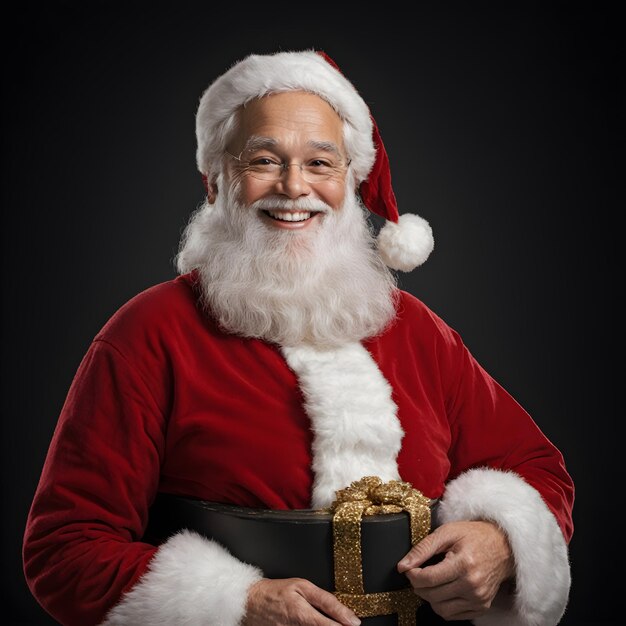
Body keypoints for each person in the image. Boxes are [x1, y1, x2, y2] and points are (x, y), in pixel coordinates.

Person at [23, 49, 574, 626]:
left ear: (350, 182)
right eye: (264, 159)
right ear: (215, 181)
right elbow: (64, 550)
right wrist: (239, 605)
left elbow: (538, 468)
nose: (293, 186)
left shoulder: (417, 329)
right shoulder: (147, 334)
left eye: (320, 163)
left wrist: (502, 542)